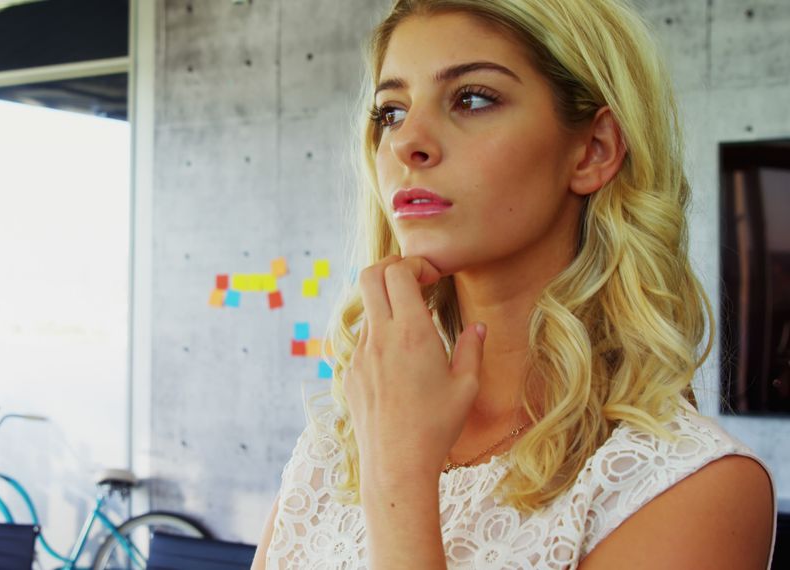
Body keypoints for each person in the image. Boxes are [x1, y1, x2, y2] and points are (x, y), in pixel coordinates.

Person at [250, 0, 778, 568]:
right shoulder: (340, 444)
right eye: (391, 112)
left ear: (593, 149)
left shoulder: (690, 487)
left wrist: (399, 475)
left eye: (472, 99)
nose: (407, 144)